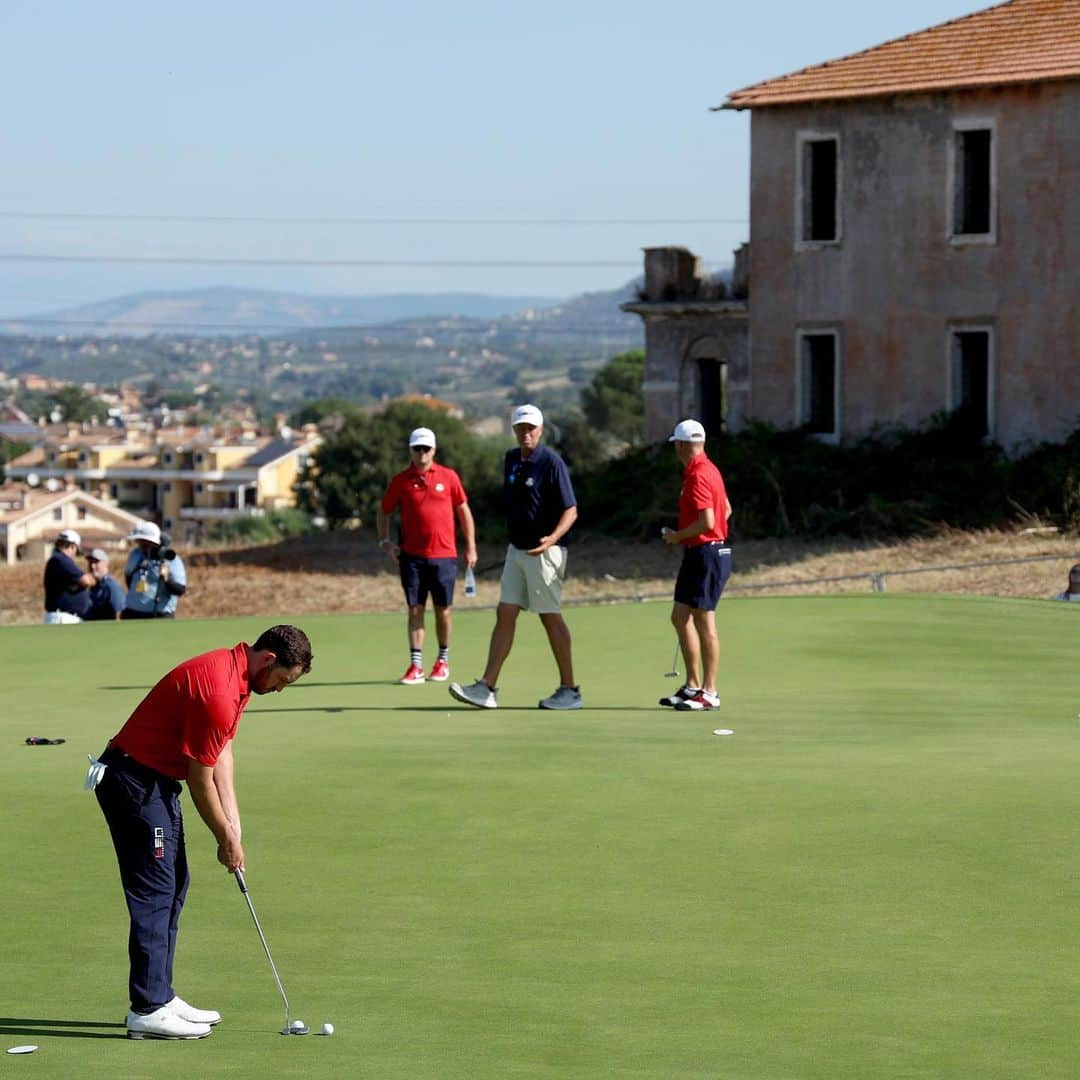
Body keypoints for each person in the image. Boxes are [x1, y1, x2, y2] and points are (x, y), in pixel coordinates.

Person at [87, 624, 314, 1040]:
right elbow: (199, 778)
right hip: (133, 783)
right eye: (282, 681)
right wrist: (223, 838)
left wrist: (233, 824)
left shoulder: (238, 677)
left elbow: (221, 750)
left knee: (174, 884)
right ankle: (147, 1008)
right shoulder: (219, 692)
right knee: (155, 891)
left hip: (153, 783)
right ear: (267, 661)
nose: (280, 690)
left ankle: (161, 995)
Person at [449, 403, 582, 710]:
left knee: (550, 618)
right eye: (521, 428)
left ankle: (570, 690)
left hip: (546, 552)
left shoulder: (551, 462)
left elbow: (571, 509)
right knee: (505, 613)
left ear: (541, 430)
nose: (526, 433)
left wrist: (552, 539)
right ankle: (487, 687)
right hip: (517, 551)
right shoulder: (511, 459)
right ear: (514, 430)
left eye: (531, 428)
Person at [376, 426, 478, 684]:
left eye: (426, 448)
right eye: (416, 448)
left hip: (444, 556)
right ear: (410, 450)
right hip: (411, 557)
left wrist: (471, 546)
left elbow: (463, 511)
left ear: (434, 450)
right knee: (415, 610)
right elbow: (384, 510)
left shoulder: (449, 477)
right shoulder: (401, 481)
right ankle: (416, 666)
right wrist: (385, 541)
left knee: (443, 611)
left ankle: (442, 661)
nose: (421, 453)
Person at [659, 419, 732, 712]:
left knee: (705, 622)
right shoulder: (708, 469)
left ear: (680, 445)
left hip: (707, 554)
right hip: (701, 552)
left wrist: (677, 536)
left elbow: (709, 521)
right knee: (680, 616)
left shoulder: (700, 476)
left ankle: (710, 692)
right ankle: (692, 685)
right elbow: (726, 508)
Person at [122, 521, 187, 619]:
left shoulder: (171, 559)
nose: (139, 544)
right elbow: (129, 579)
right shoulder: (135, 554)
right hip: (132, 613)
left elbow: (180, 590)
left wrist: (167, 579)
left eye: (143, 542)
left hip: (159, 616)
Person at [42, 528, 95, 624]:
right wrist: (92, 579)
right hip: (62, 618)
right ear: (72, 546)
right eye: (76, 550)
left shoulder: (57, 560)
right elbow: (87, 581)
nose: (75, 553)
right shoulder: (61, 560)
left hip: (62, 617)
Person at [85, 548, 126, 621]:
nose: (92, 566)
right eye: (90, 562)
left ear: (106, 563)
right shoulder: (93, 586)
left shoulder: (111, 587)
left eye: (96, 562)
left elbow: (118, 615)